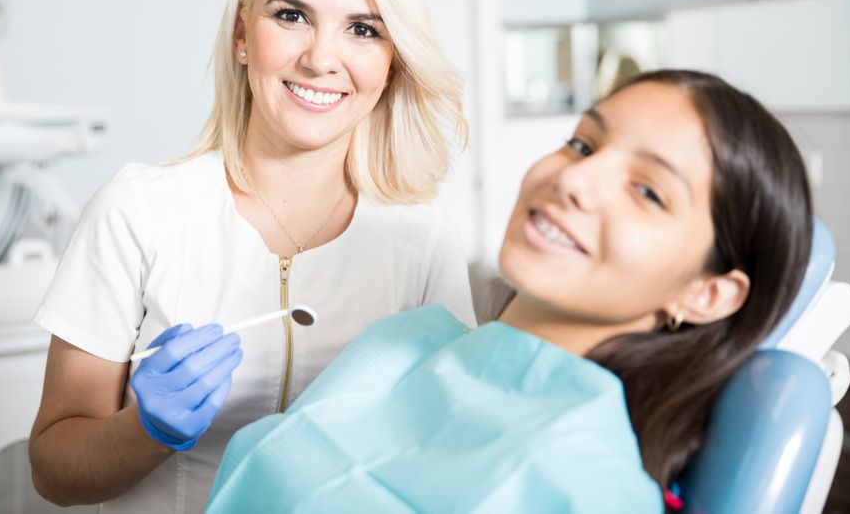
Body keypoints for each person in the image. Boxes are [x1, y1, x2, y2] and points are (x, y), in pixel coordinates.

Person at [28, 0, 475, 512]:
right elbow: (53, 469)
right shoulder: (135, 213)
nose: (321, 58)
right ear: (243, 35)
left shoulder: (424, 243)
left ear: (391, 63)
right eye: (291, 16)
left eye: (363, 29)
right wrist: (145, 431)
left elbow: (444, 458)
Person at [204, 70, 814, 513]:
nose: (575, 177)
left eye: (648, 191)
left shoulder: (586, 483)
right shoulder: (402, 344)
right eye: (583, 144)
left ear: (707, 294)